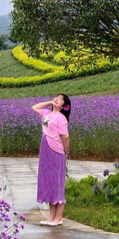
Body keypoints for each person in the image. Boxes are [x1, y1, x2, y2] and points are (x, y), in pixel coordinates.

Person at [33, 94, 71, 226]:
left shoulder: (61, 118)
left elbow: (65, 136)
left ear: (63, 106)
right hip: (46, 149)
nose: (57, 99)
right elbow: (34, 107)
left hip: (56, 150)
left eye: (60, 100)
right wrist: (49, 101)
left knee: (57, 182)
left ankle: (58, 218)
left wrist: (65, 152)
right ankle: (51, 217)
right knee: (49, 181)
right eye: (56, 97)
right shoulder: (47, 113)